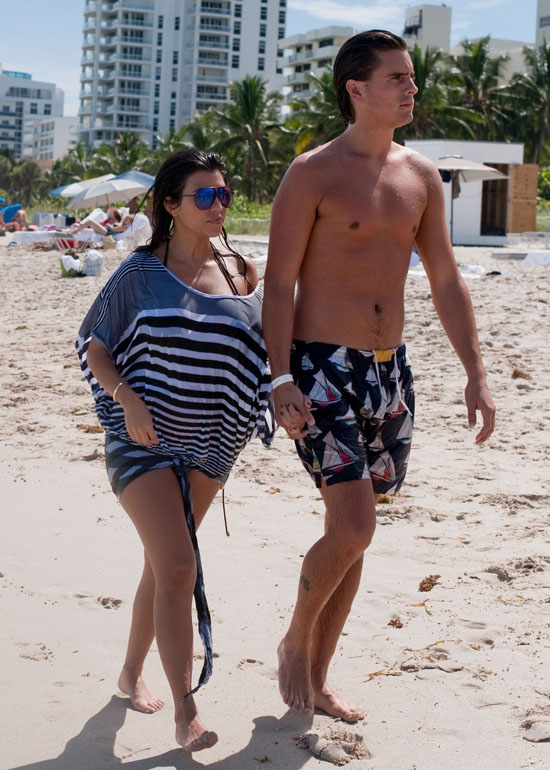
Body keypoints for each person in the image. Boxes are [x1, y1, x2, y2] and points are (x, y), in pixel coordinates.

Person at [262, 30, 495, 723]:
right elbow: (278, 285)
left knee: (357, 529)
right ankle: (294, 645)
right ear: (355, 90)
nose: (411, 88)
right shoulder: (312, 173)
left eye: (411, 77)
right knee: (355, 525)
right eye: (396, 78)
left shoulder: (420, 176)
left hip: (390, 372)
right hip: (321, 367)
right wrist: (278, 379)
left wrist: (475, 372)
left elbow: (447, 279)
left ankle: (322, 677)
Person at [76, 149, 274, 751]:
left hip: (213, 443)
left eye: (225, 194)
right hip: (143, 440)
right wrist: (127, 398)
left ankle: (130, 673)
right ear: (170, 205)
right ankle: (187, 711)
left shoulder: (242, 271)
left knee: (164, 564)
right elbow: (94, 342)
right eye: (204, 195)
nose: (219, 205)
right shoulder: (139, 272)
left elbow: (263, 347)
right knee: (181, 567)